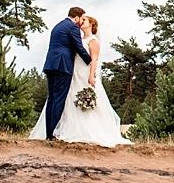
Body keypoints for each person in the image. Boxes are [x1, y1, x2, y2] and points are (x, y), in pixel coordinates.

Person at [30, 15, 130, 147]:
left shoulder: (93, 41)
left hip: (84, 73)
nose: (81, 22)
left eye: (84, 20)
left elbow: (94, 59)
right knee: (68, 100)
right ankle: (66, 128)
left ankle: (87, 130)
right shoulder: (78, 38)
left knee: (85, 100)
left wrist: (92, 75)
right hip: (73, 72)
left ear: (91, 24)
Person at [34, 6, 91, 141]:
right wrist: (89, 60)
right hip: (62, 66)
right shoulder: (73, 27)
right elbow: (78, 47)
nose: (81, 22)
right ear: (76, 17)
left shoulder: (58, 26)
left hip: (50, 64)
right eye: (81, 19)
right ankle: (51, 133)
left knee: (52, 98)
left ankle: (49, 132)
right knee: (59, 98)